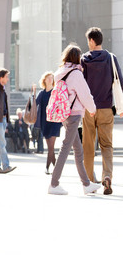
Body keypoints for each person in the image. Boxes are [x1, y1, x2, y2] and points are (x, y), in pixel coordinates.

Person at [48, 44, 101, 195]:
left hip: (65, 114)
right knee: (66, 147)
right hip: (74, 113)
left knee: (78, 150)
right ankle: (54, 183)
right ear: (77, 58)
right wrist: (92, 109)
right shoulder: (76, 74)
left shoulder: (60, 72)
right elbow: (85, 94)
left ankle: (86, 184)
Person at [81, 27, 123, 195]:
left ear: (92, 40)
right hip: (106, 108)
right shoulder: (111, 58)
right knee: (107, 145)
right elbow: (119, 81)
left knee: (88, 146)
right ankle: (107, 177)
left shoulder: (84, 59)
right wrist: (120, 107)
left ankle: (90, 181)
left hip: (88, 109)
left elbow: (80, 84)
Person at [35, 72, 62, 174]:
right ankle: (55, 168)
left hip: (55, 122)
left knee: (51, 147)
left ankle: (48, 168)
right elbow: (34, 104)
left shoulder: (56, 92)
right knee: (50, 148)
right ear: (44, 80)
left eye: (52, 78)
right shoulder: (41, 94)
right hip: (44, 123)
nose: (50, 79)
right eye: (48, 78)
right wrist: (33, 94)